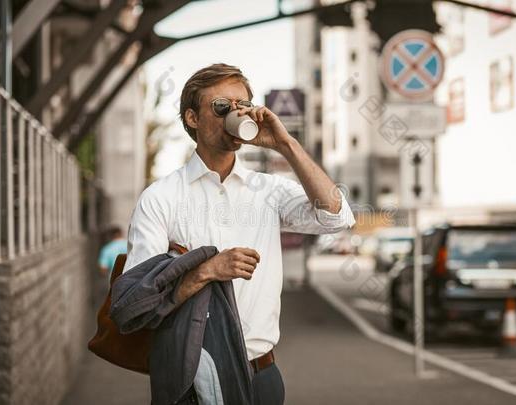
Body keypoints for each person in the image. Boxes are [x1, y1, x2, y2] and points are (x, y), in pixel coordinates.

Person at [123, 63, 356, 404]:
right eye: (221, 107)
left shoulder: (268, 190)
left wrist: (285, 144)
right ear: (192, 118)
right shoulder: (161, 198)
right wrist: (205, 270)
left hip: (261, 373)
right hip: (192, 376)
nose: (235, 113)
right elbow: (136, 302)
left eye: (242, 105)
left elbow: (336, 217)